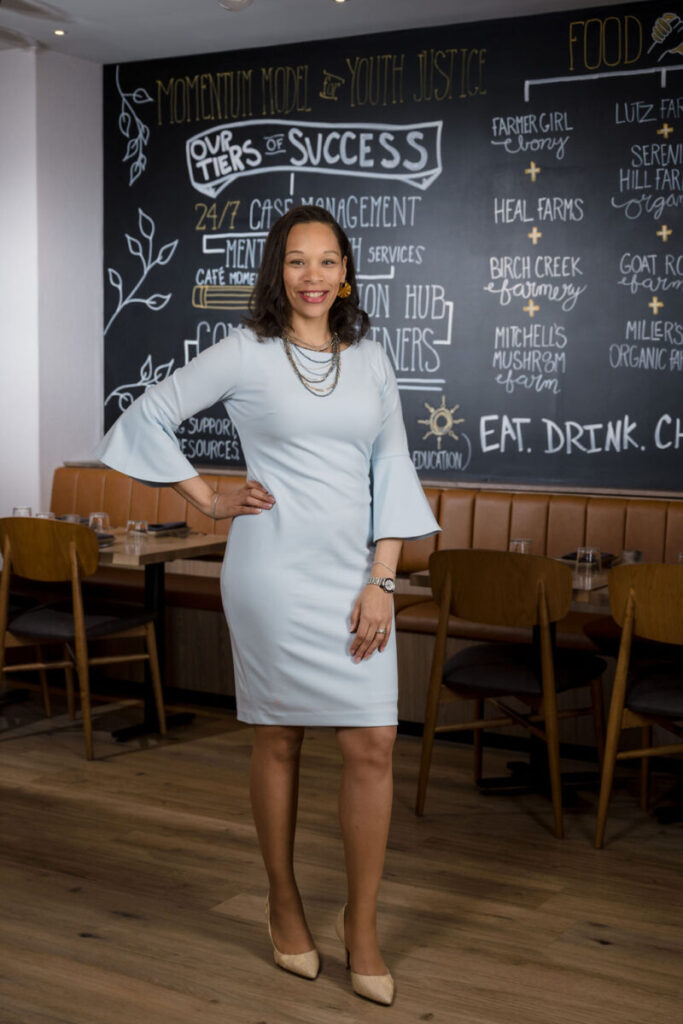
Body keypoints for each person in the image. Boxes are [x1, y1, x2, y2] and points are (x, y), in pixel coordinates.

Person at [94, 204, 439, 1006]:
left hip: (355, 577)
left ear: (345, 272)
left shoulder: (371, 360)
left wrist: (382, 581)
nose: (312, 276)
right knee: (277, 738)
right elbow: (143, 416)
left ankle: (361, 924)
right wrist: (203, 497)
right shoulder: (243, 352)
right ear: (275, 272)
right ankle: (283, 902)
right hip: (271, 574)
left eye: (326, 260)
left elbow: (392, 466)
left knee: (373, 746)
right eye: (296, 260)